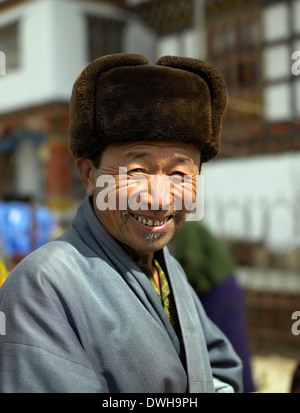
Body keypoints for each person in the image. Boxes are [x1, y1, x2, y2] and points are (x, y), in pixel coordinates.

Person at [0, 53, 243, 393]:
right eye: (137, 171)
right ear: (89, 174)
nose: (159, 199)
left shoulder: (166, 269)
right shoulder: (42, 286)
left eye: (178, 173)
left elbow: (217, 369)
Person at [170, 221, 256, 392]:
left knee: (227, 347)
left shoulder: (188, 229)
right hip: (219, 290)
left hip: (218, 291)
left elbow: (192, 262)